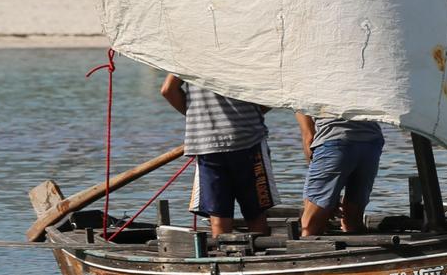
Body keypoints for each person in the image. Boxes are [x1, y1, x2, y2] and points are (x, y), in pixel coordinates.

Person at [161, 73, 275, 237]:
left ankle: (222, 256)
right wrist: (249, 114)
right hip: (248, 139)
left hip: (208, 143)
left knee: (219, 217)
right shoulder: (244, 50)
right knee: (255, 214)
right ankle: (262, 258)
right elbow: (272, 92)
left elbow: (168, 90)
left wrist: (199, 118)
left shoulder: (186, 53)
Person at [296, 111, 383, 236]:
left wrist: (328, 193)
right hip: (371, 141)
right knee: (352, 222)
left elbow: (309, 137)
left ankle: (309, 253)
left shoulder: (299, 94)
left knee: (309, 226)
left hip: (335, 142)